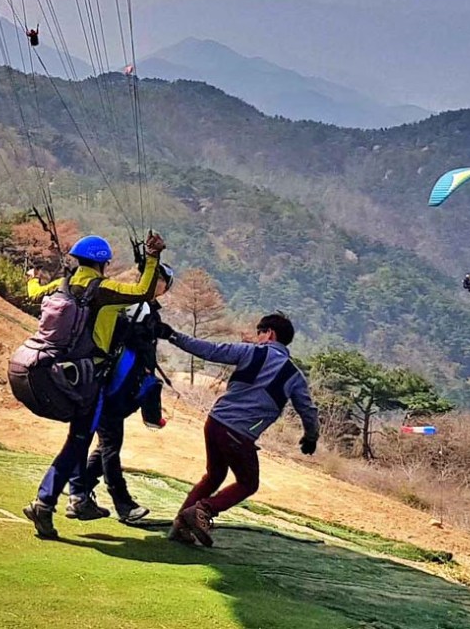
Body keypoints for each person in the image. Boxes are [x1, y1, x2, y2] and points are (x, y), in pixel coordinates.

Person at [21, 231, 167, 539]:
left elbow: (34, 293)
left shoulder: (62, 285)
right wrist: (152, 257)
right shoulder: (104, 290)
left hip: (59, 372)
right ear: (103, 263)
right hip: (91, 379)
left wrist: (31, 277)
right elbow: (143, 291)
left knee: (78, 439)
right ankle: (46, 502)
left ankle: (71, 498)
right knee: (78, 440)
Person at [156, 312, 319, 546]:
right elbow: (308, 410)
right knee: (248, 483)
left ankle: (181, 525)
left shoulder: (249, 352)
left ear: (269, 333)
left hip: (215, 422)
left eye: (259, 333)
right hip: (239, 433)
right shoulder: (294, 375)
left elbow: (209, 350)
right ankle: (203, 511)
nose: (257, 337)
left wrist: (172, 335)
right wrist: (310, 436)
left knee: (214, 475)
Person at [66, 262, 175, 524]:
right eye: (157, 279)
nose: (158, 285)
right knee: (110, 445)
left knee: (107, 443)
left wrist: (163, 331)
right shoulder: (138, 306)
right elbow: (132, 339)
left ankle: (78, 495)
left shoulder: (136, 305)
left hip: (110, 381)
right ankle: (122, 503)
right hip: (111, 383)